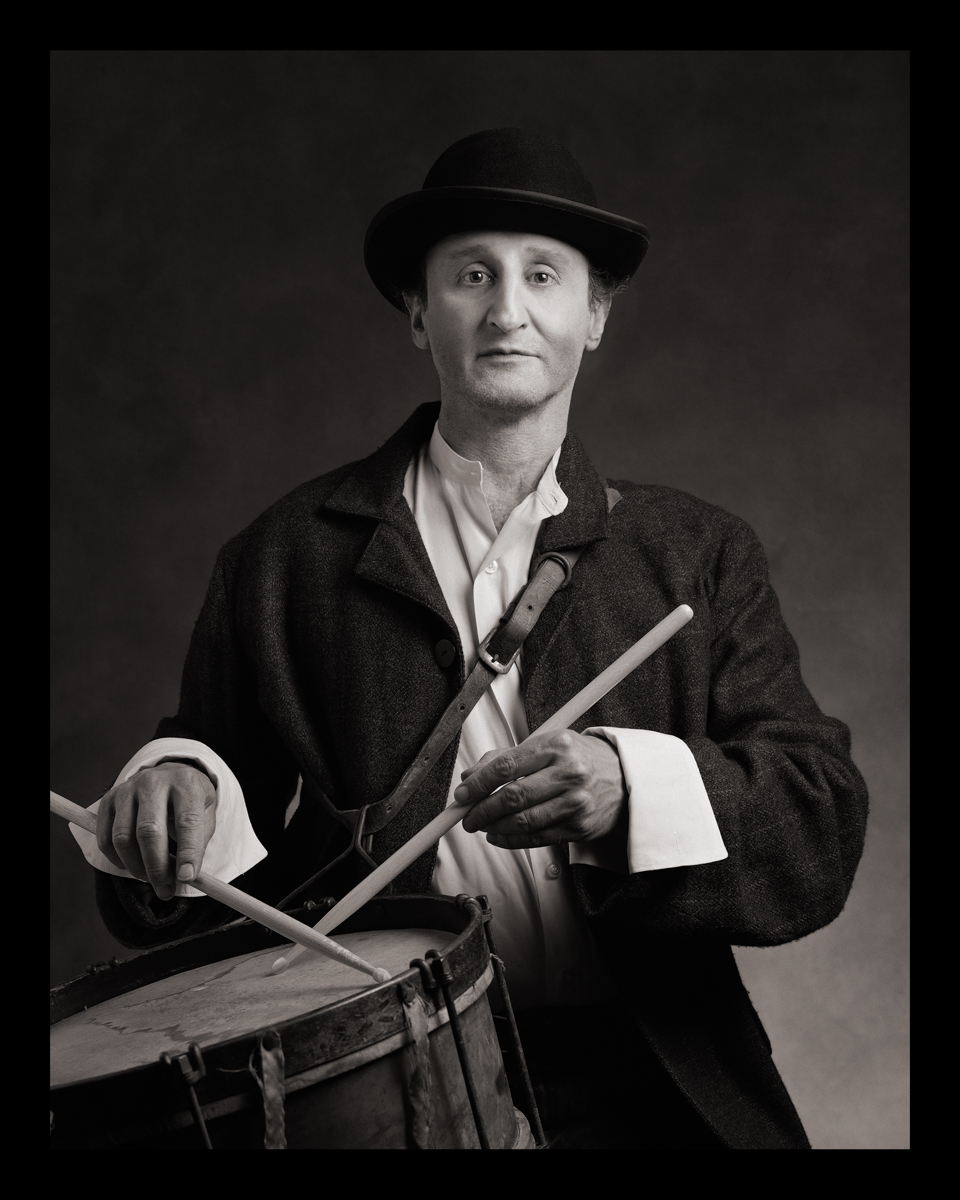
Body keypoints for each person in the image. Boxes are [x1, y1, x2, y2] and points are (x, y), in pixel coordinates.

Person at [72, 128, 868, 1149]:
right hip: (367, 1086)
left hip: (651, 1078)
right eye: (470, 276)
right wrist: (174, 782)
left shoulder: (698, 551)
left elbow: (819, 827)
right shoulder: (282, 559)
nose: (507, 310)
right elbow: (206, 787)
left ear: (596, 314)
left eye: (543, 275)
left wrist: (635, 789)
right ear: (417, 309)